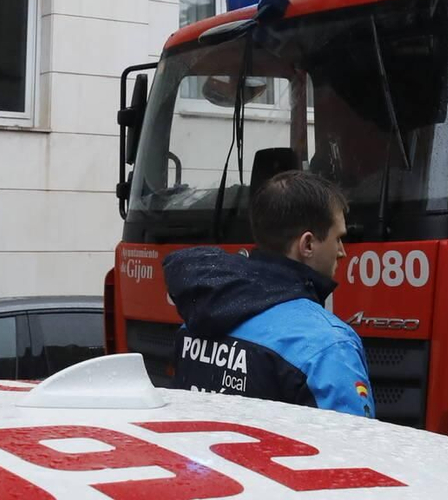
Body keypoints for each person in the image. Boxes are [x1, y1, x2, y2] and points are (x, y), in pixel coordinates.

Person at [161, 170, 375, 418]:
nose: (342, 251)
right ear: (307, 245)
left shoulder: (193, 323)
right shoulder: (328, 346)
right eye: (338, 238)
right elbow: (353, 448)